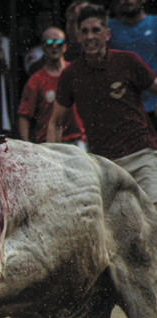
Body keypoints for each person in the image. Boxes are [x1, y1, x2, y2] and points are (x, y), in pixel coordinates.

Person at [48, 4, 157, 208]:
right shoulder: (71, 75)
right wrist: (54, 164)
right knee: (118, 232)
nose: (90, 37)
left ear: (107, 34)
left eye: (96, 30)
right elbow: (55, 123)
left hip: (141, 155)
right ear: (78, 36)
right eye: (85, 31)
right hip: (104, 164)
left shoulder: (127, 61)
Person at [17, 27, 84, 145]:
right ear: (42, 48)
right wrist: (26, 146)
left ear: (65, 47)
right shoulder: (36, 79)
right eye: (49, 42)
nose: (54, 46)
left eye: (58, 42)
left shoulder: (77, 73)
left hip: (77, 140)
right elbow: (24, 115)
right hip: (48, 143)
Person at [109, 0, 157, 129]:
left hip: (154, 103)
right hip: (125, 108)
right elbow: (82, 45)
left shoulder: (154, 23)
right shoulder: (110, 28)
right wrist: (74, 21)